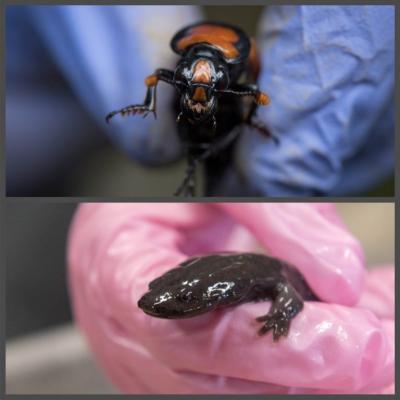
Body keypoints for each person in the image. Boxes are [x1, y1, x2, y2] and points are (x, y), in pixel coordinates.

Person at [6, 5, 395, 196]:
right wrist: (148, 102)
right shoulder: (181, 71)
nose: (199, 88)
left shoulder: (238, 74)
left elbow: (254, 83)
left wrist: (255, 113)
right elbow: (160, 75)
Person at [68, 203, 394, 394]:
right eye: (161, 286)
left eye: (184, 298)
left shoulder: (252, 280)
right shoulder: (231, 278)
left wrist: (281, 317)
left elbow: (287, 293)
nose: (154, 303)